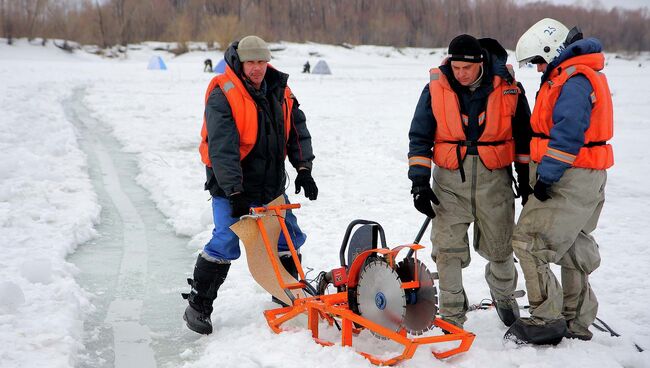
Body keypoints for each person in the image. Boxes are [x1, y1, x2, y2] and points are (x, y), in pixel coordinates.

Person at [183, 35, 318, 335]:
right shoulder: (223, 93)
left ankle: (284, 294)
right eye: (251, 62)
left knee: (287, 236)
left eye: (262, 62)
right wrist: (234, 192)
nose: (257, 68)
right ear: (240, 62)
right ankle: (198, 304)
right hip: (233, 185)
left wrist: (304, 169)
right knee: (225, 241)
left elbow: (297, 131)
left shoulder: (280, 89)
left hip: (270, 184)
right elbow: (222, 148)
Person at [407, 34, 533, 330]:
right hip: (449, 184)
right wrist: (419, 183)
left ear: (480, 64)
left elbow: (525, 138)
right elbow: (419, 137)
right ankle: (451, 313)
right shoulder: (434, 89)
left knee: (501, 248)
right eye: (456, 67)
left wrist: (526, 181)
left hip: (495, 183)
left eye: (467, 68)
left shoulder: (510, 89)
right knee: (447, 251)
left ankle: (504, 297)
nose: (460, 73)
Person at [504, 18, 613, 345]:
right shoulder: (576, 74)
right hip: (586, 175)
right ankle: (576, 322)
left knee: (526, 241)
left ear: (553, 51)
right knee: (571, 244)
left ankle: (546, 319)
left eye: (538, 61)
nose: (537, 69)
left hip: (569, 175)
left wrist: (546, 177)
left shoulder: (574, 81)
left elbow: (567, 136)